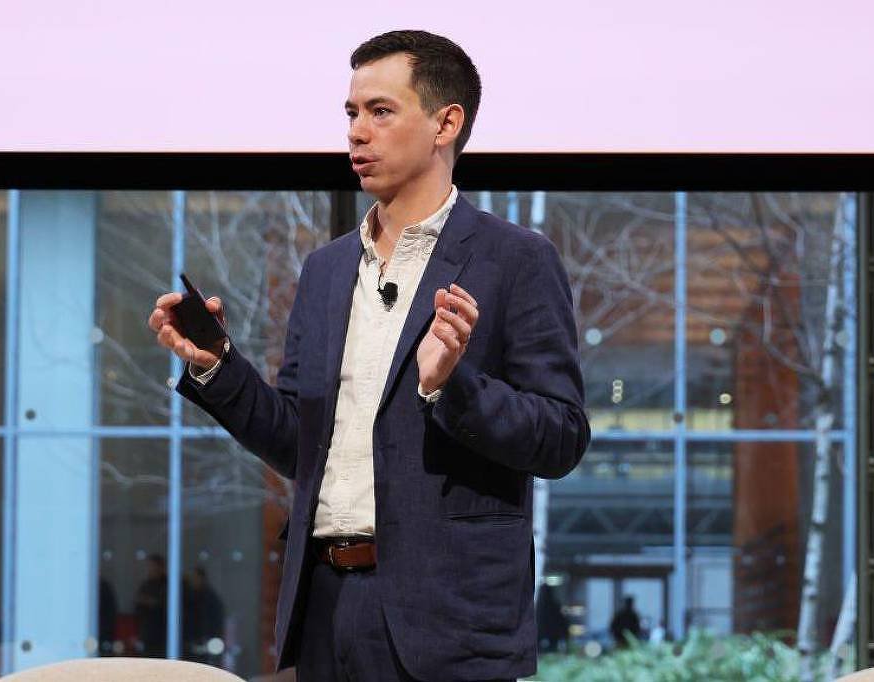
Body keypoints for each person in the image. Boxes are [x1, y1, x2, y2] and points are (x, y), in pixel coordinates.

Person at [148, 29, 590, 681]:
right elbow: (300, 445)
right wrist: (216, 365)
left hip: (448, 623)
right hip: (326, 606)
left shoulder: (515, 260)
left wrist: (452, 386)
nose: (357, 132)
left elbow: (562, 438)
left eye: (381, 112)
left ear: (446, 123)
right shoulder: (326, 270)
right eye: (351, 113)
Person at [133, 554, 168, 657]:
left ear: (161, 567)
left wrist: (152, 602)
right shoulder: (146, 584)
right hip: (147, 633)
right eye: (149, 566)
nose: (150, 569)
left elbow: (164, 606)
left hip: (162, 634)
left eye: (153, 566)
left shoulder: (168, 585)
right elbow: (138, 605)